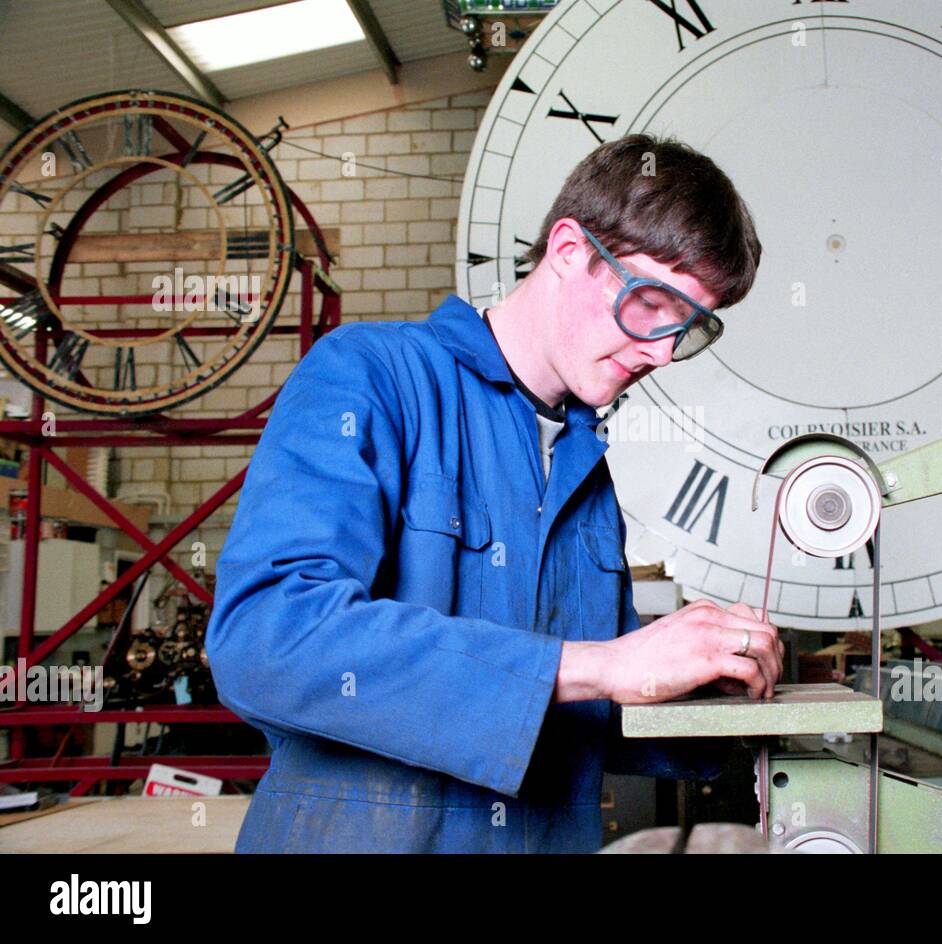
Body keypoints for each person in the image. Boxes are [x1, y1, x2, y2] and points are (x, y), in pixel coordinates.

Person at [205, 133, 775, 853]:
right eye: (651, 303)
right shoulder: (372, 377)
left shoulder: (584, 469)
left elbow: (589, 718)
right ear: (568, 252)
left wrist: (705, 686)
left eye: (687, 329)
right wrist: (598, 664)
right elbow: (266, 639)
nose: (661, 351)